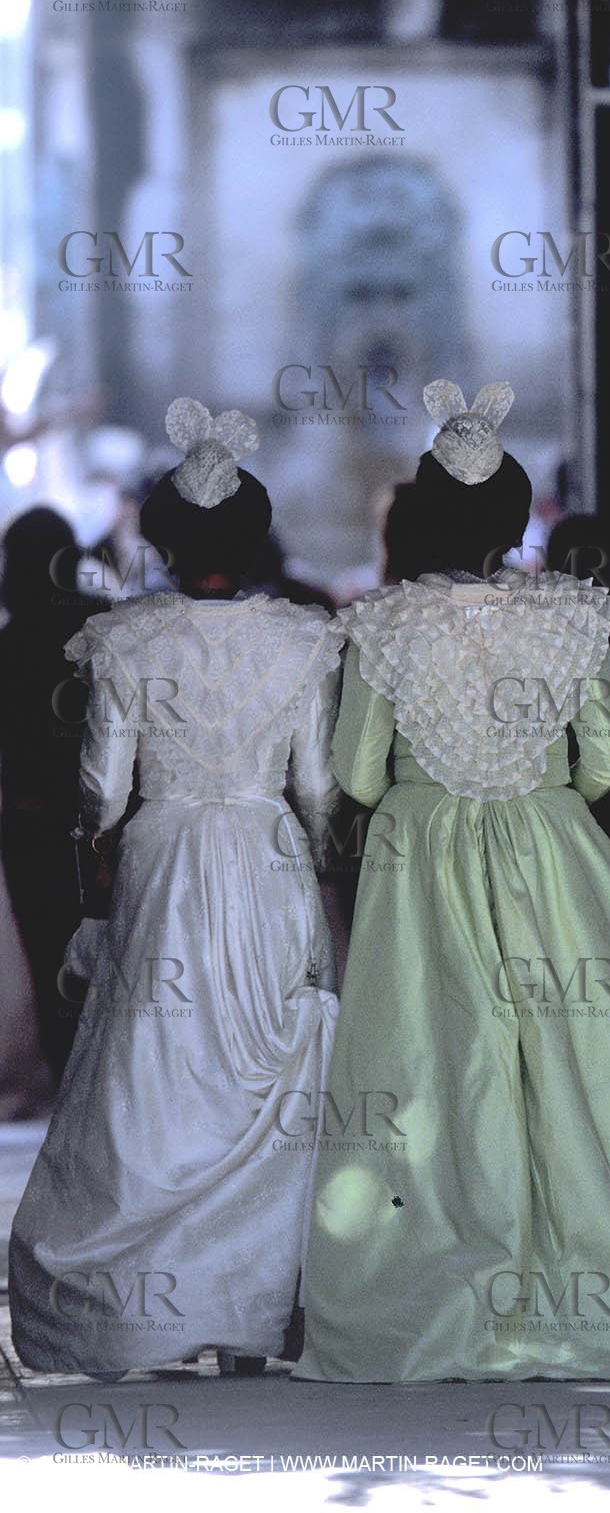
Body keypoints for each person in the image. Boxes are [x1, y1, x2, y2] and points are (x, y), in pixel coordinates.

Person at [294, 379, 610, 1384]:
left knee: (439, 1061)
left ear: (425, 515)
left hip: (423, 861)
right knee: (591, 1066)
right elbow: (608, 759)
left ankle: (445, 1290)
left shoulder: (383, 627)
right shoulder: (572, 614)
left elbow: (357, 773)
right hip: (552, 850)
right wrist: (531, 784)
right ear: (514, 515)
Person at [8, 399, 341, 1377]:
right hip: (265, 853)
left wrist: (98, 848)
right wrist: (316, 857)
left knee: (153, 1072)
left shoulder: (129, 640)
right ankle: (254, 1306)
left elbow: (102, 787)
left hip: (162, 860)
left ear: (164, 535)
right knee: (262, 1075)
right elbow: (317, 784)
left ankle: (148, 1308)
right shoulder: (300, 637)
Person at [0, 509, 106, 1079]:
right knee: (115, 967)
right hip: (104, 828)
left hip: (32, 829)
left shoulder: (8, 645)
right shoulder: (102, 628)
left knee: (52, 967)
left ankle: (70, 1086)